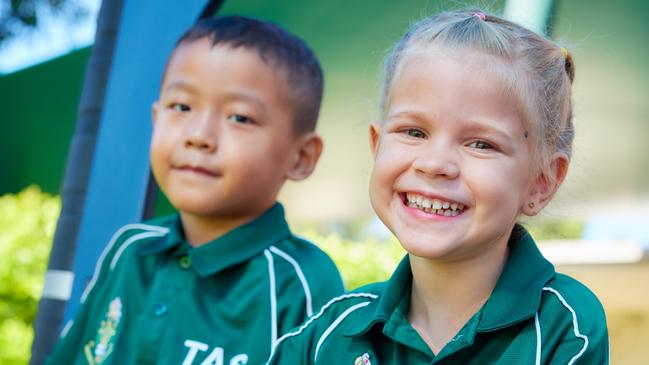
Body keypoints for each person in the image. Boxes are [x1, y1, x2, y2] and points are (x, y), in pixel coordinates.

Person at [267, 9, 609, 365]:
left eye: (480, 143)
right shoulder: (328, 335)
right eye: (414, 132)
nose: (434, 164)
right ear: (376, 145)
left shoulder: (564, 326)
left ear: (542, 182)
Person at [45, 15, 344, 365]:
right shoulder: (128, 250)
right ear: (156, 119)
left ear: (301, 157)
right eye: (181, 107)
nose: (198, 135)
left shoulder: (301, 284)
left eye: (239, 117)